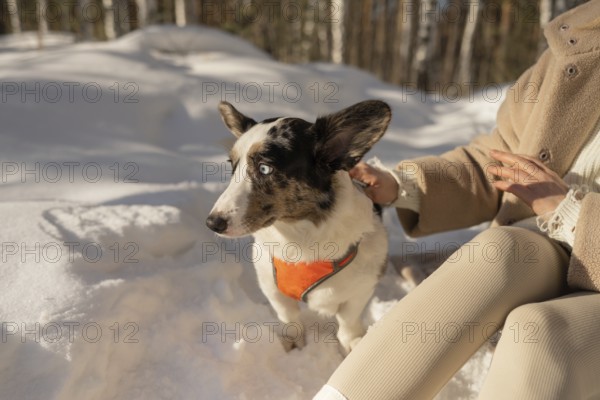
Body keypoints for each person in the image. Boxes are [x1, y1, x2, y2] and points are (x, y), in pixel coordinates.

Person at [313, 2, 600, 399]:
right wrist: (400, 185)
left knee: (541, 333)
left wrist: (570, 212)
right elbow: (500, 159)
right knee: (498, 251)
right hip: (555, 243)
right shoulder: (577, 47)